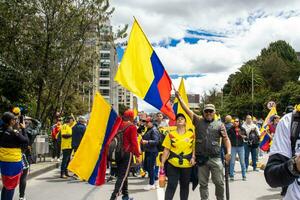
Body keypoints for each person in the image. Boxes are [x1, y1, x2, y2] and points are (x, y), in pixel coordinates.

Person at [176, 91, 231, 200]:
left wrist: (228, 152)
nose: (208, 113)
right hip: (202, 160)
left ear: (214, 112)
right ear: (203, 112)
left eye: (211, 111)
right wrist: (179, 98)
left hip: (216, 159)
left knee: (219, 183)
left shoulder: (220, 124)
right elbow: (186, 109)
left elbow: (226, 139)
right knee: (203, 184)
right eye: (206, 111)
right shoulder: (198, 120)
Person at [264, 108, 300, 200]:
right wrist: (295, 166)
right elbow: (272, 178)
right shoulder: (289, 121)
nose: (276, 119)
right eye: (275, 118)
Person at [161, 113, 195, 200]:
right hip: (172, 164)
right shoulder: (170, 134)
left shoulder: (191, 135)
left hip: (187, 165)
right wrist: (162, 163)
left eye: (182, 119)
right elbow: (166, 150)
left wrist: (193, 158)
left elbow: (194, 148)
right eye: (178, 119)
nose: (180, 120)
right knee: (171, 185)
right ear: (176, 122)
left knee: (184, 187)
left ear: (185, 122)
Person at [110, 109, 141, 200]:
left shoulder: (118, 125)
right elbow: (134, 142)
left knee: (123, 175)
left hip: (117, 152)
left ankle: (125, 195)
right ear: (131, 117)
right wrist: (138, 155)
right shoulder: (132, 126)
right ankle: (113, 197)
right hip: (127, 153)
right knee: (123, 176)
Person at [0, 112, 29, 200]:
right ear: (11, 121)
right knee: (11, 187)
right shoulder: (13, 132)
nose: (16, 121)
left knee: (6, 185)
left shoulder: (1, 130)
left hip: (3, 161)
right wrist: (23, 129)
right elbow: (26, 141)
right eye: (14, 119)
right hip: (13, 162)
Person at [141, 116, 160, 190]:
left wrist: (147, 142)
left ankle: (151, 184)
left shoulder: (154, 130)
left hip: (152, 151)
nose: (145, 123)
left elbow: (156, 141)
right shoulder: (149, 129)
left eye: (147, 122)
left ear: (151, 122)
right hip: (149, 150)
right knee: (147, 167)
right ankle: (155, 181)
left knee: (150, 168)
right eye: (145, 122)